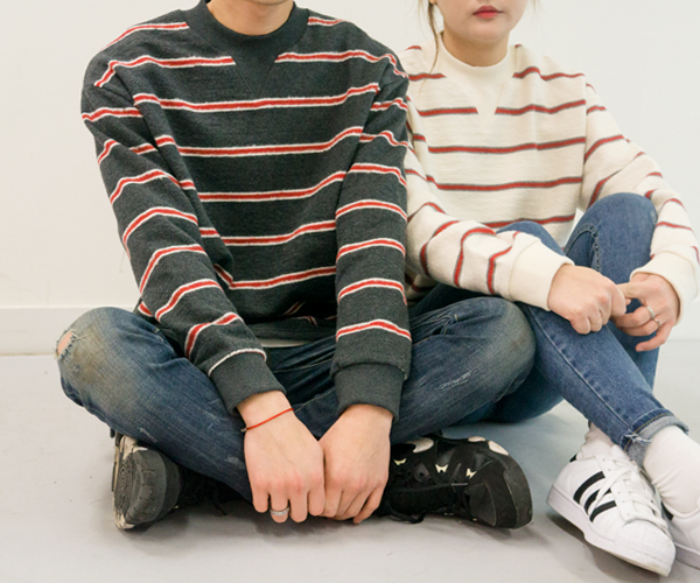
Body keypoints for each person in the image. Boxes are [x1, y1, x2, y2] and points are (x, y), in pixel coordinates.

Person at [57, 0, 538, 534]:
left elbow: (373, 247)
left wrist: (368, 411)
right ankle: (390, 473)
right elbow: (168, 259)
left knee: (502, 333)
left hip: (327, 354)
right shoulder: (124, 71)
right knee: (93, 346)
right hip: (196, 360)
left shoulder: (369, 68)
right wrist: (262, 408)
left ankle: (197, 469)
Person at [401, 0, 700, 576]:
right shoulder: (396, 84)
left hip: (542, 369)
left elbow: (655, 194)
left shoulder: (566, 90)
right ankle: (661, 449)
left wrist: (669, 276)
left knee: (629, 211)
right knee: (529, 238)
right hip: (452, 354)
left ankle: (608, 460)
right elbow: (420, 232)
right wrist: (544, 269)